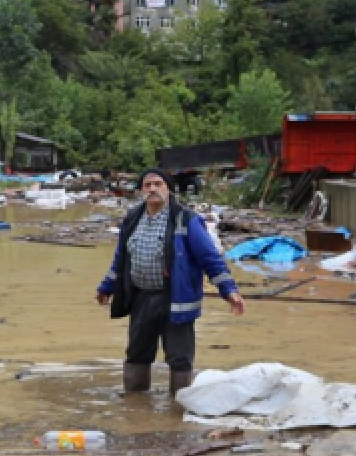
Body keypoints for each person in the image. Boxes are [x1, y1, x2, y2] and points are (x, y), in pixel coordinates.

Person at [95, 169, 245, 395]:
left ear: (169, 189)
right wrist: (107, 286)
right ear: (141, 191)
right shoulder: (133, 218)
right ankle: (135, 406)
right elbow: (121, 259)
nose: (153, 189)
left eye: (158, 184)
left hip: (176, 299)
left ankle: (180, 405)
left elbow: (209, 258)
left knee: (179, 358)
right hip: (141, 297)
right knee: (137, 354)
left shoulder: (186, 219)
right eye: (147, 185)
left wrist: (229, 290)